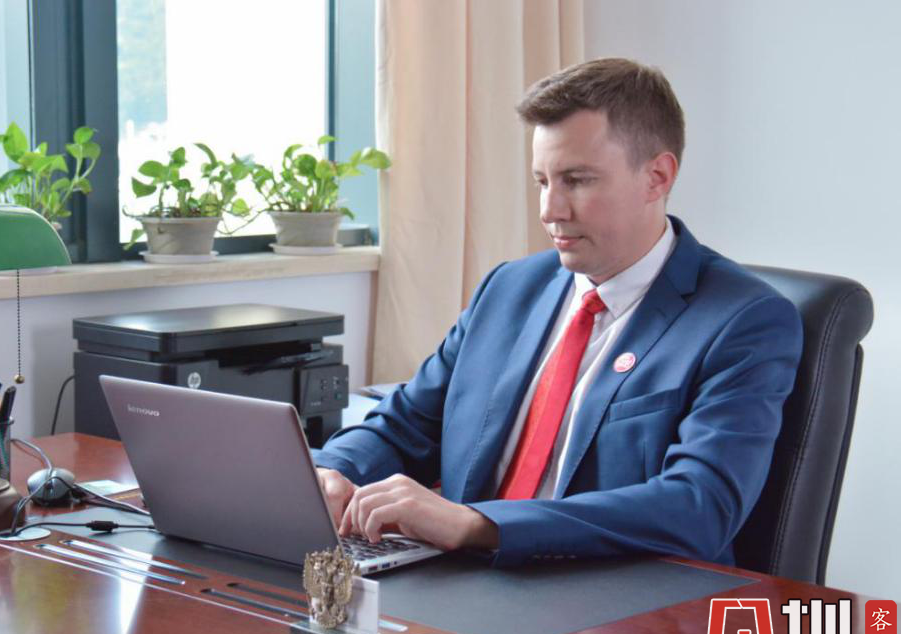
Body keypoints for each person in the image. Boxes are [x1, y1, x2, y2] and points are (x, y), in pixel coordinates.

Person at [312, 58, 803, 567]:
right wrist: (331, 473)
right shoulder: (508, 289)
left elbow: (698, 507)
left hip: (611, 597)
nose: (550, 210)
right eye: (542, 182)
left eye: (577, 180)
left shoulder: (744, 321)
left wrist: (479, 525)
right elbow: (406, 425)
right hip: (459, 584)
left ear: (657, 177)